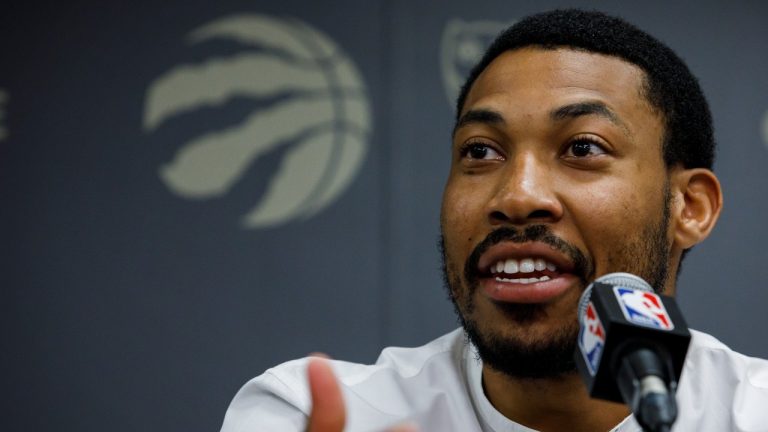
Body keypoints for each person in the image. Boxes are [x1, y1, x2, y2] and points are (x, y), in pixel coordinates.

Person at [220, 9, 768, 432]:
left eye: (582, 146)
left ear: (689, 207)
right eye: (481, 152)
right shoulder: (310, 412)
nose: (518, 195)